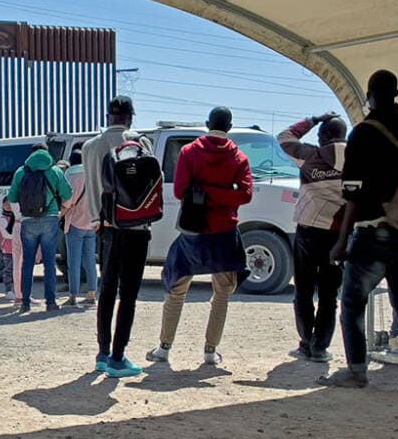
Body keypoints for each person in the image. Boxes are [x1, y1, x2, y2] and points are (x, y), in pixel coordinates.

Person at [321, 70, 398, 399]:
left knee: (352, 301)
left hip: (374, 230)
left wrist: (342, 241)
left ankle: (357, 372)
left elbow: (353, 194)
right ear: (396, 93)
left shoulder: (363, 133)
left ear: (369, 96)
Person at [146, 106, 253, 366]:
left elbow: (180, 191)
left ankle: (164, 348)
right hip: (225, 231)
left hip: (193, 230)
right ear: (229, 127)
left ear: (207, 124)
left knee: (176, 289)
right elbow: (245, 194)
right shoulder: (239, 157)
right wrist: (220, 194)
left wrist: (203, 191)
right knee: (222, 293)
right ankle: (210, 351)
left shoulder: (189, 152)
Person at [81, 98, 156, 376]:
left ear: (108, 116)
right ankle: (118, 357)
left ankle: (102, 353)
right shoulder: (140, 142)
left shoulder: (89, 147)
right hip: (136, 228)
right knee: (129, 295)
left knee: (107, 292)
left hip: (104, 228)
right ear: (130, 117)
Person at [277, 112, 348, 362]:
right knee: (329, 295)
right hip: (339, 235)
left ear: (325, 135)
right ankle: (321, 348)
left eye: (320, 134)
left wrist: (313, 119)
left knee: (304, 291)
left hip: (308, 231)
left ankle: (306, 342)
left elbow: (284, 137)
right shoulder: (359, 159)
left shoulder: (310, 156)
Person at [7, 145, 73, 312]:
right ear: (47, 153)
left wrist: (20, 215)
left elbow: (12, 197)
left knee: (27, 262)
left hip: (28, 220)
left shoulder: (21, 172)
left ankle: (25, 302)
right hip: (50, 219)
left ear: (32, 154)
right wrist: (61, 210)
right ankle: (50, 302)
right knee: (49, 263)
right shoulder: (55, 171)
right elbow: (68, 194)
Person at [60, 148, 98, 307]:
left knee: (73, 262)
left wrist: (59, 214)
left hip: (75, 223)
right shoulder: (93, 176)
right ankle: (92, 294)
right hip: (91, 223)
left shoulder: (70, 176)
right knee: (90, 260)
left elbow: (67, 202)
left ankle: (73, 296)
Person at [0, 197, 16, 300]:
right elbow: (6, 235)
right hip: (8, 249)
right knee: (8, 270)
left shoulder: (16, 217)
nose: (8, 206)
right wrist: (18, 236)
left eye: (10, 204)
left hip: (17, 249)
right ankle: (8, 290)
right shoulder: (3, 219)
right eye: (6, 204)